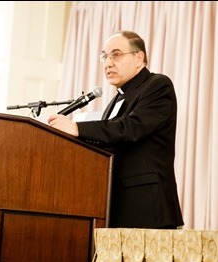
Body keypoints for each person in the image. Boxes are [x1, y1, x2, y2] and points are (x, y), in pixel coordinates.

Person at [48, 30, 184, 229]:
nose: (108, 63)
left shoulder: (158, 85)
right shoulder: (115, 100)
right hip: (113, 205)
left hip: (148, 207)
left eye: (116, 55)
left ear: (139, 58)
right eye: (104, 56)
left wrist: (77, 127)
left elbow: (131, 128)